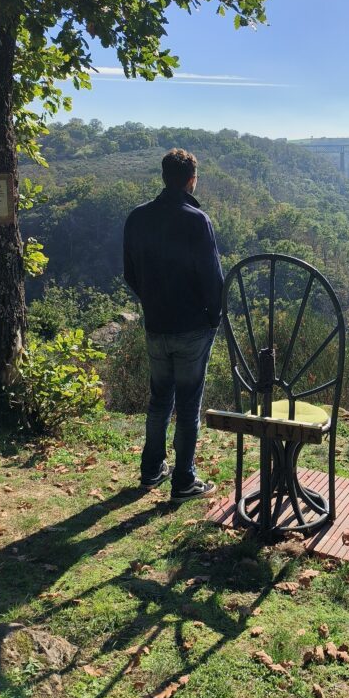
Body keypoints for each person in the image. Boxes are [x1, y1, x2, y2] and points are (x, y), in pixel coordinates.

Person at [123, 148, 223, 502]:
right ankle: (183, 480)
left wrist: (151, 300)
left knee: (159, 399)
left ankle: (151, 469)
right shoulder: (197, 220)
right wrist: (213, 316)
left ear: (164, 177)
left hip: (156, 324)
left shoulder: (137, 218)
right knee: (189, 404)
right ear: (192, 179)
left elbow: (130, 273)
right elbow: (212, 278)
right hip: (192, 327)